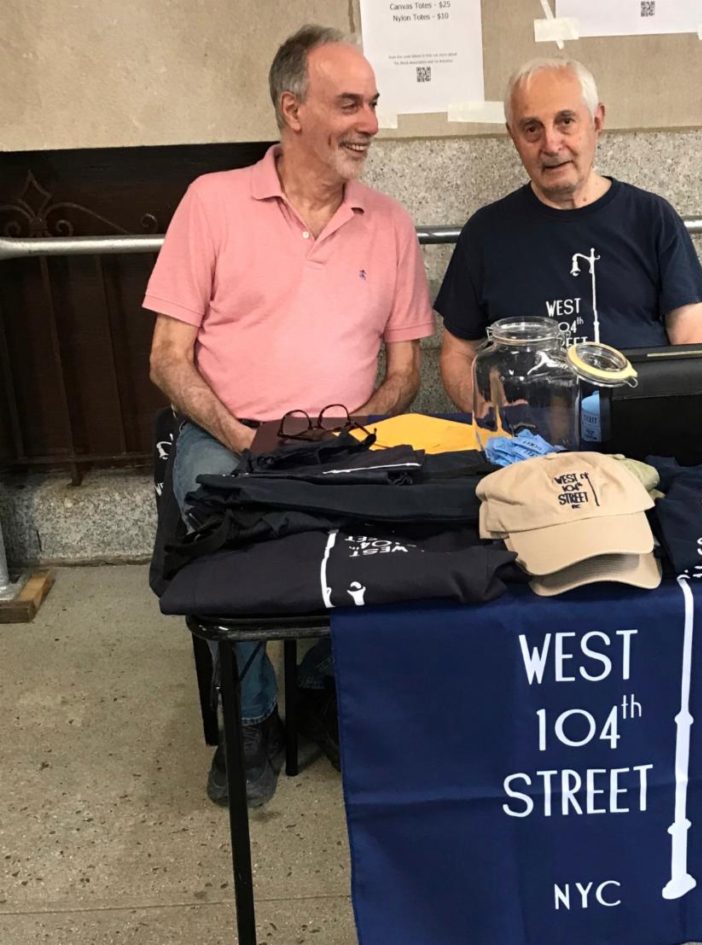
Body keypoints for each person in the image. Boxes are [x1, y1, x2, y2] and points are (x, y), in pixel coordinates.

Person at [144, 25, 434, 806]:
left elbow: (406, 372)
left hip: (340, 437)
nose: (370, 121)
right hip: (225, 428)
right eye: (350, 103)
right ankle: (254, 714)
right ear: (292, 108)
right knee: (209, 533)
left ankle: (319, 683)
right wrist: (239, 434)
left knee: (400, 546)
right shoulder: (212, 202)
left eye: (373, 103)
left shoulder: (391, 223)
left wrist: (351, 431)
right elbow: (168, 357)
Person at [436, 58, 702, 412]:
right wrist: (484, 409)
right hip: (531, 447)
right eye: (532, 129)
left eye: (565, 122)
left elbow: (695, 343)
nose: (551, 144)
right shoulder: (485, 233)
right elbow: (457, 353)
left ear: (597, 121)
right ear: (513, 136)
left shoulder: (652, 218)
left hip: (644, 442)